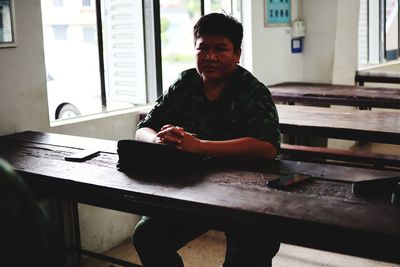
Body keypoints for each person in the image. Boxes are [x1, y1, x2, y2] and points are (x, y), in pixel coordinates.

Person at [133, 13, 281, 267]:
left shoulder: (252, 91)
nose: (210, 57)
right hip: (192, 189)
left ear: (237, 54)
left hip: (246, 195)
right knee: (148, 237)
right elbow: (143, 129)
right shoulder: (185, 83)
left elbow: (267, 147)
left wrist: (199, 145)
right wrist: (160, 139)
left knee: (249, 253)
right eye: (203, 48)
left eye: (220, 49)